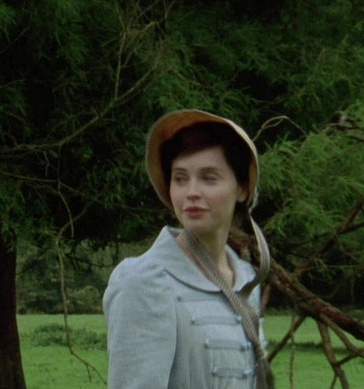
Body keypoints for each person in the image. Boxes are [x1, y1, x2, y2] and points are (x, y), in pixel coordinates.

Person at [103, 109, 274, 389]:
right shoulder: (145, 281)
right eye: (180, 178)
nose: (191, 192)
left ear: (242, 188)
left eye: (209, 178)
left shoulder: (245, 280)